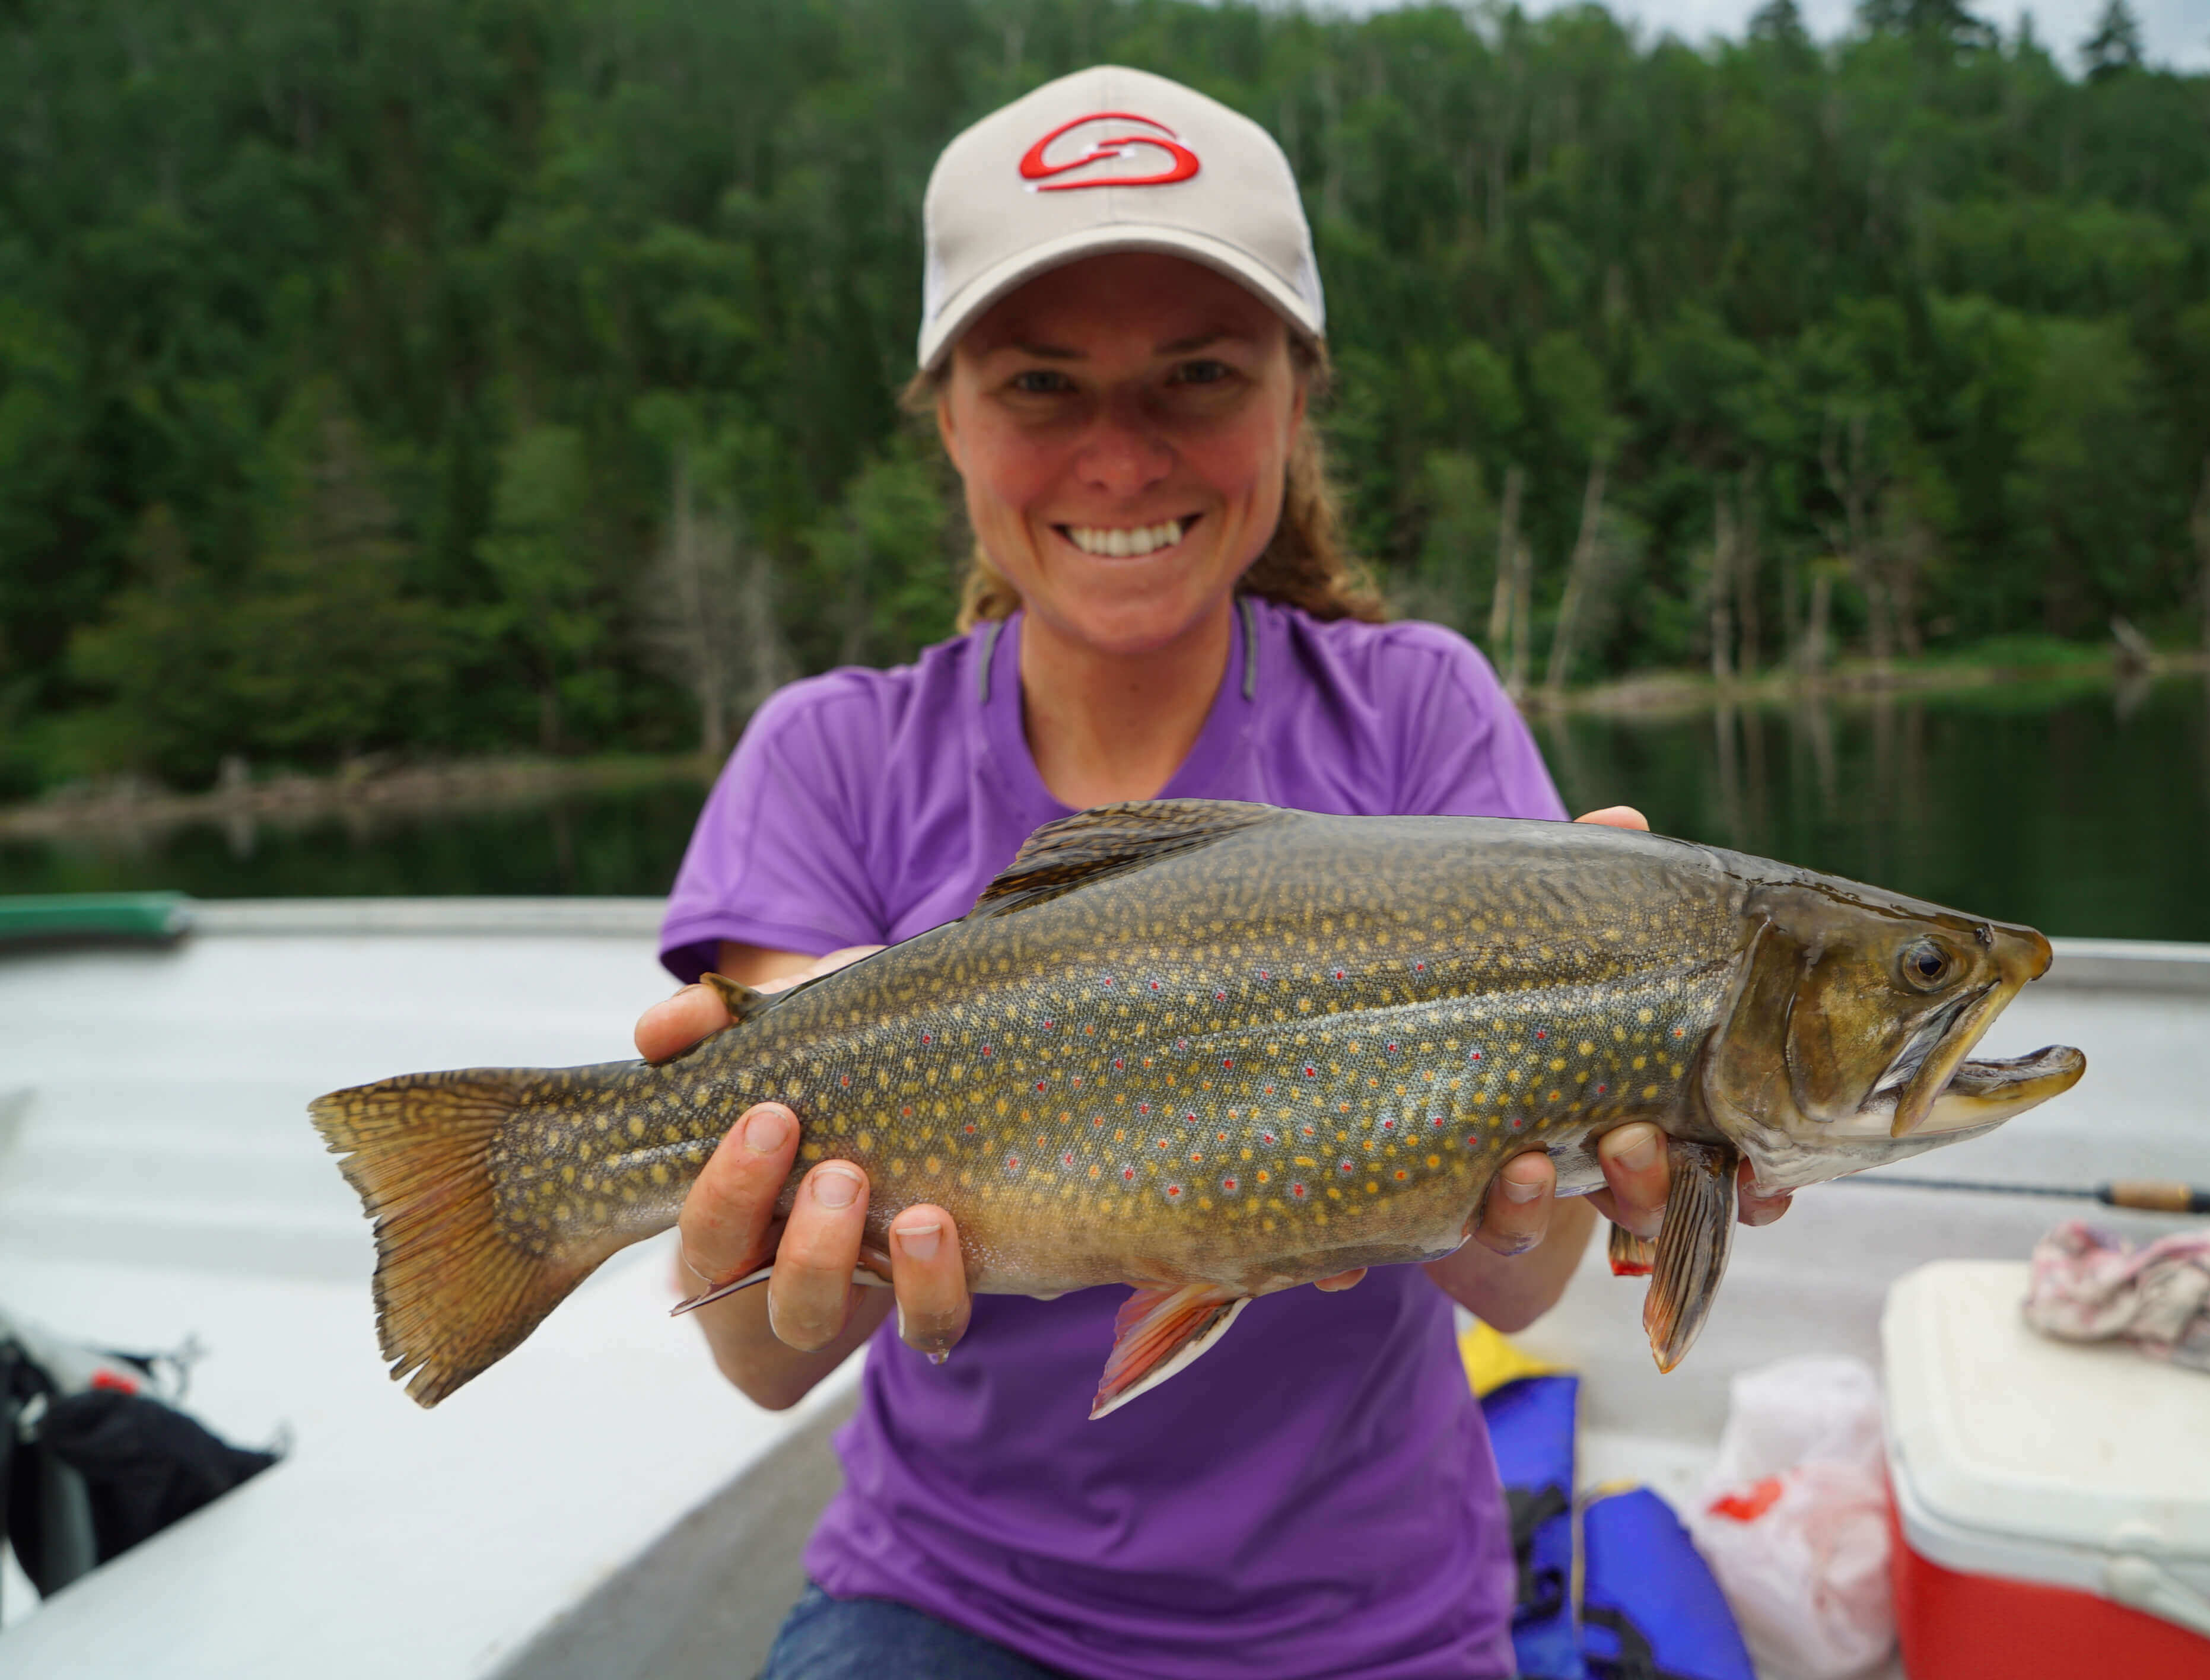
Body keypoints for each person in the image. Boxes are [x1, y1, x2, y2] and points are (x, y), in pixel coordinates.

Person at [635, 65, 1789, 1680]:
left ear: (1295, 399)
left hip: (1367, 1620)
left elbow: (1515, 1285)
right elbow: (765, 1370)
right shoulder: (831, 762)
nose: (1121, 455)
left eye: (1197, 375)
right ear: (946, 415)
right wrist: (754, 1240)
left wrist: (1605, 1152)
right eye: (1043, 385)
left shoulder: (1420, 716)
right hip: (947, 1598)